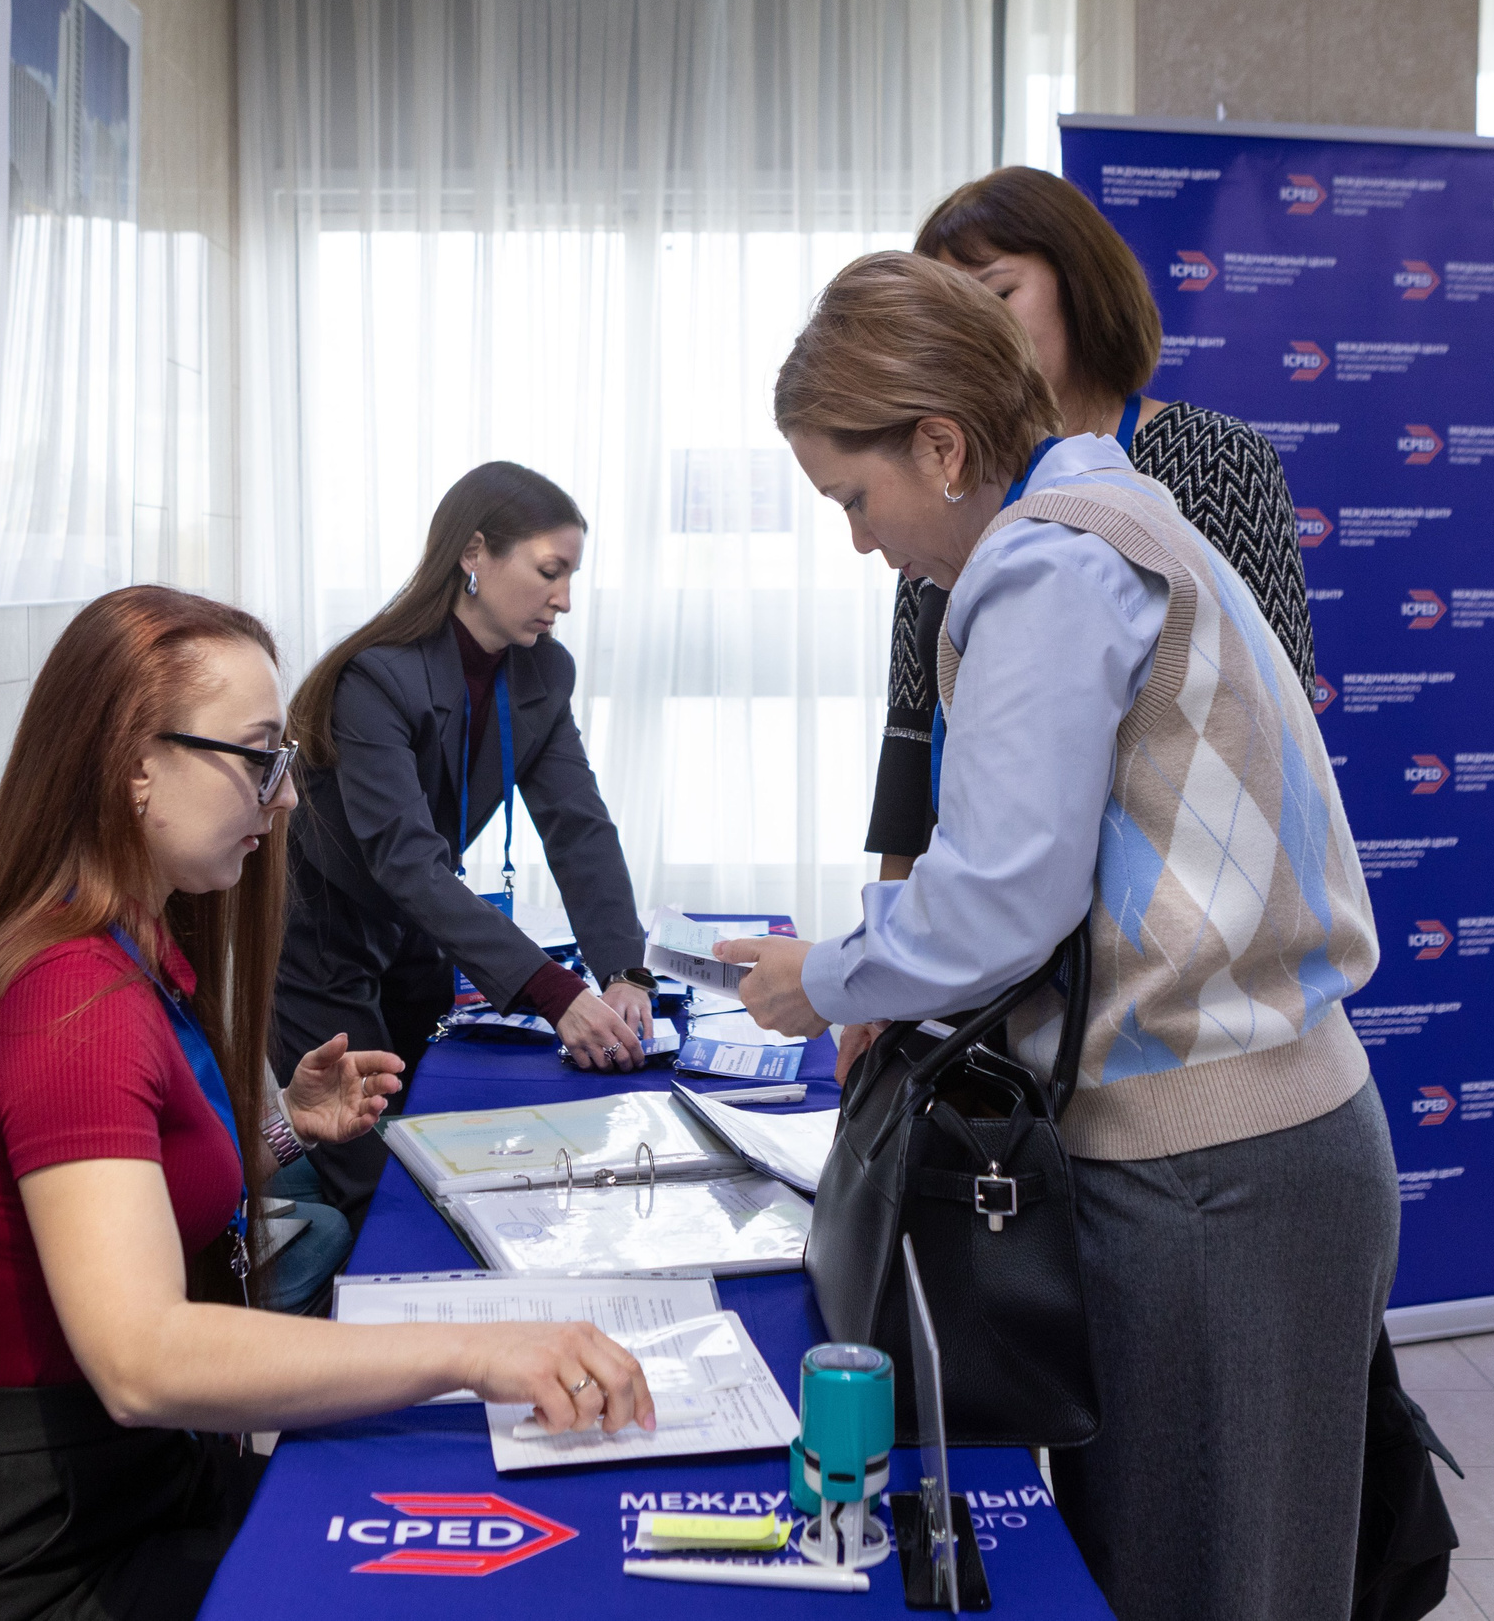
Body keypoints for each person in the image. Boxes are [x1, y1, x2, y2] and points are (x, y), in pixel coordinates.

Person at [727, 252, 1400, 1621]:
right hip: (1244, 1145)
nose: (860, 541)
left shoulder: (1046, 567)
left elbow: (996, 902)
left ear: (941, 442)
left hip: (1215, 1166)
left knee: (1204, 1583)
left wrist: (825, 978)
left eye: (856, 499)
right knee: (1191, 1567)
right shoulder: (1111, 511)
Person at [0, 586, 652, 1620]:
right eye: (258, 757)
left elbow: (123, 1198)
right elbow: (141, 1358)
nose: (287, 797)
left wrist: (279, 1131)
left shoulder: (130, 946)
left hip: (121, 1489)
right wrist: (477, 1347)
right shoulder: (72, 1005)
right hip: (13, 1556)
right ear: (134, 764)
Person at [862, 168, 1316, 999]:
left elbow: (1270, 727)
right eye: (947, 316)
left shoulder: (1216, 461)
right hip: (990, 970)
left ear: (1081, 286)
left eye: (997, 295)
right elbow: (912, 739)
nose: (974, 336)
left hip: (1176, 972)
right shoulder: (949, 474)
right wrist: (885, 975)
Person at [277, 461, 656, 1217]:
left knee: (439, 1152)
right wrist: (556, 992)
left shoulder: (541, 674)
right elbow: (406, 861)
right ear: (474, 553)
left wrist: (624, 971)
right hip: (327, 948)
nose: (565, 600)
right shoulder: (375, 678)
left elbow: (579, 828)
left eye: (573, 576)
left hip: (418, 936)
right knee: (375, 1191)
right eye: (551, 571)